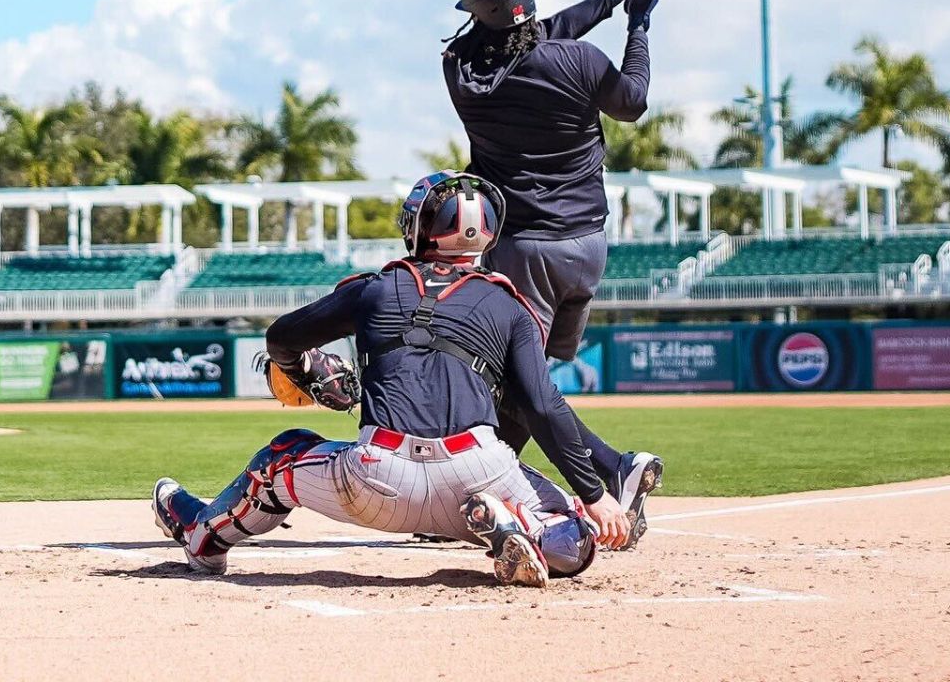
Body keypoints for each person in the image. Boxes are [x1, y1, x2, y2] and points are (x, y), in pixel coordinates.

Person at [152, 172, 633, 589]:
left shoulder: (374, 288)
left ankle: (203, 539)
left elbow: (280, 338)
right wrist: (595, 495)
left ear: (417, 227)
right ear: (488, 235)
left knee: (282, 456)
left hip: (376, 476)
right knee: (575, 530)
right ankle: (520, 524)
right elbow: (543, 408)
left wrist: (304, 374)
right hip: (478, 470)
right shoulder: (511, 306)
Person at [442, 0, 667, 542]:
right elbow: (632, 100)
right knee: (520, 383)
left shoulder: (460, 70)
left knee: (521, 384)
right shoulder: (582, 62)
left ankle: (614, 468)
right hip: (588, 246)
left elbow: (536, 40)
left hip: (523, 251)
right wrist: (636, 21)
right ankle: (479, 496)